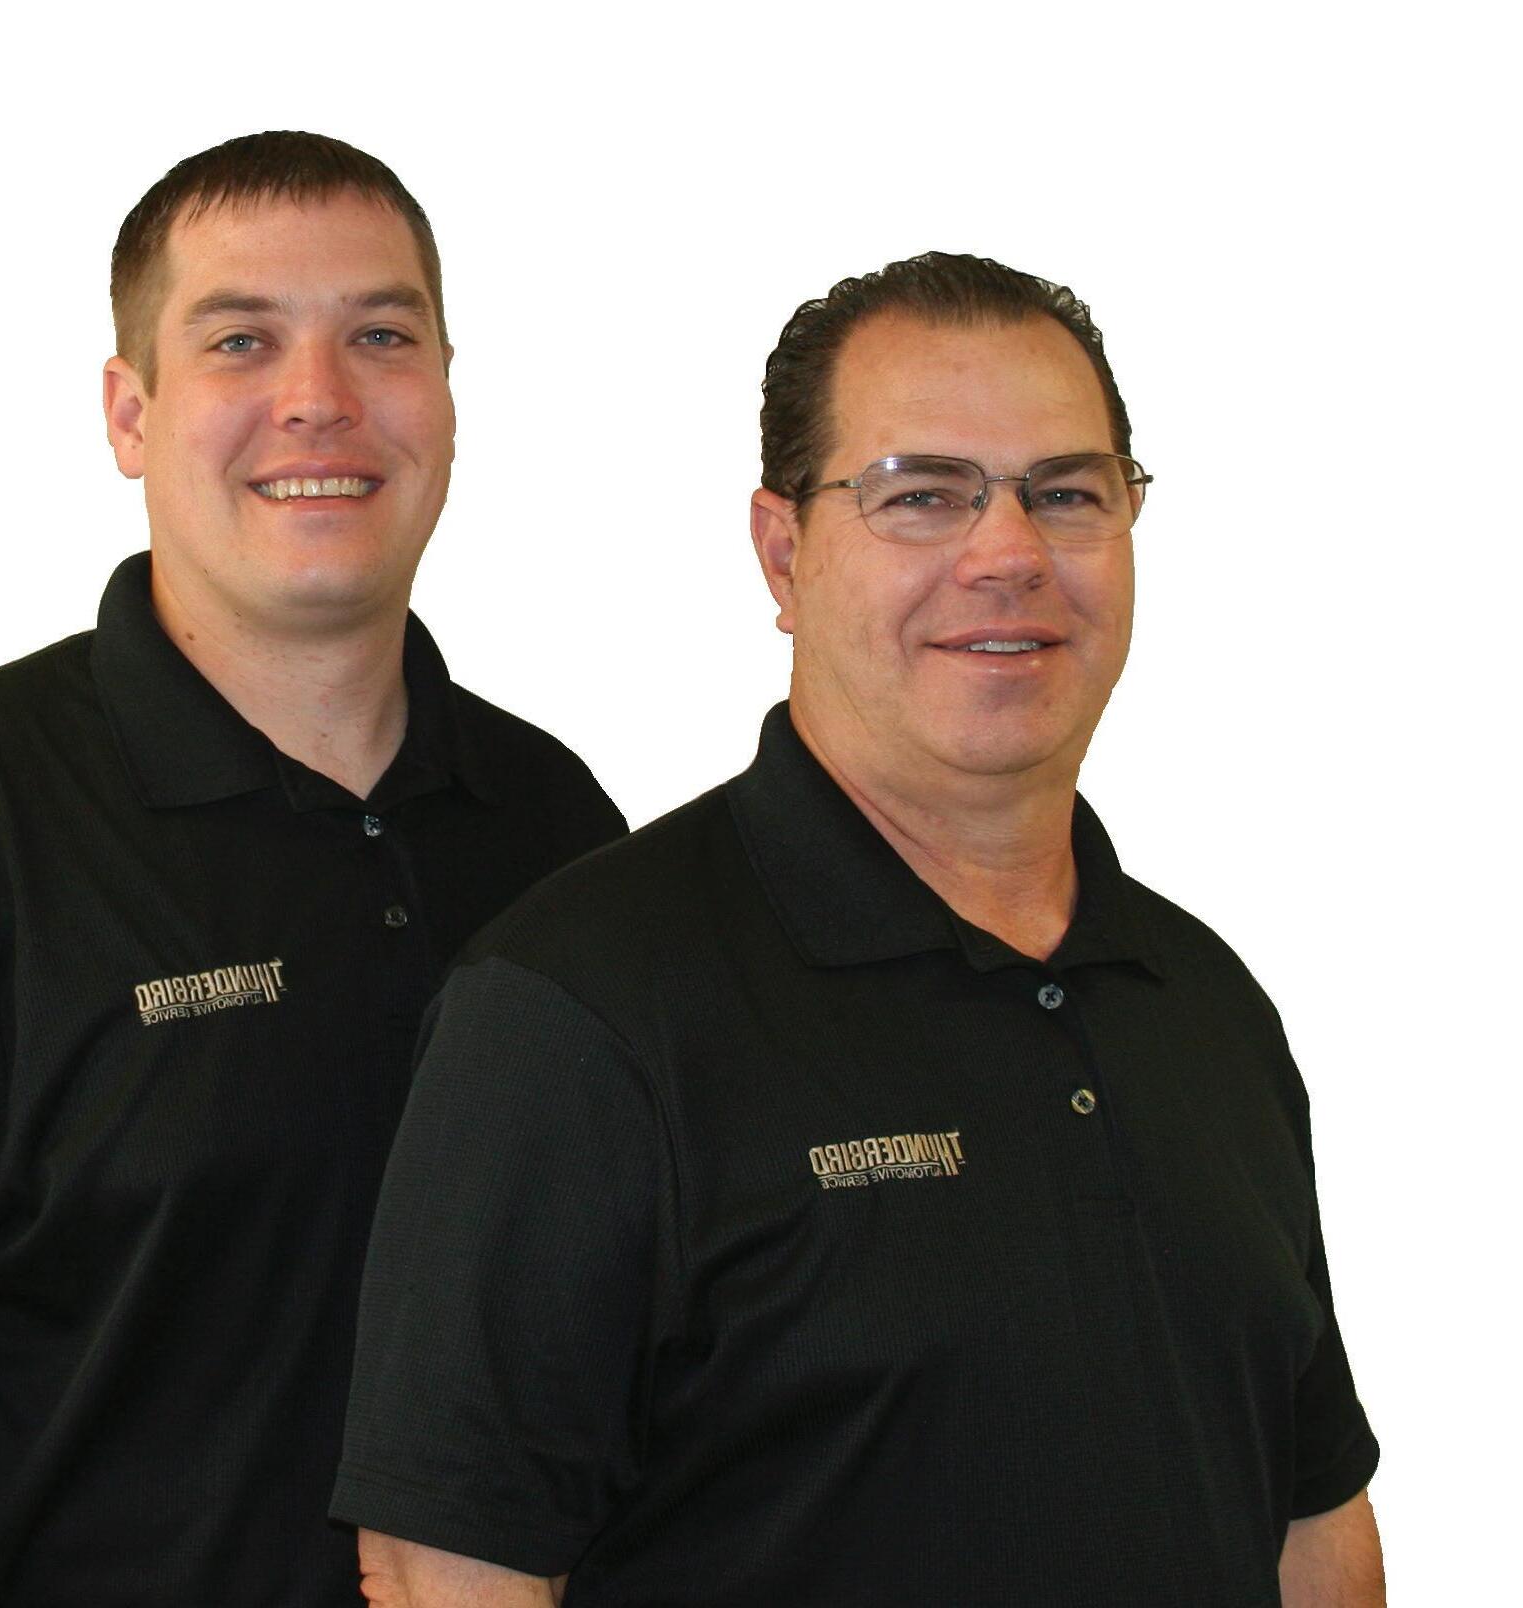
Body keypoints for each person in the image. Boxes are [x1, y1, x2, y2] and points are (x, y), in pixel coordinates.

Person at [330, 253, 1384, 1605]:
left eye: (1067, 493)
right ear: (784, 554)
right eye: (921, 494)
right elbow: (440, 1569)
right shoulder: (577, 1010)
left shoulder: (1204, 1005)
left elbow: (1313, 1529)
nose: (1008, 554)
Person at [0, 131, 625, 1606]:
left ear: (448, 396)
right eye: (240, 340)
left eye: (382, 336)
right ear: (130, 413)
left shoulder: (558, 829)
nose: (319, 397)